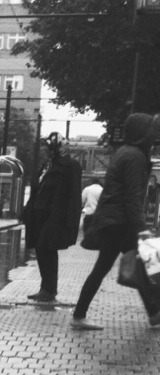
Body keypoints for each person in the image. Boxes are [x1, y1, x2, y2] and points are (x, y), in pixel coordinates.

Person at [70, 112, 160, 330]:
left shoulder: (124, 152)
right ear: (142, 132)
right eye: (151, 129)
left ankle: (155, 314)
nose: (154, 134)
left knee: (144, 265)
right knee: (111, 267)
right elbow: (132, 196)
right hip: (121, 223)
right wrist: (142, 228)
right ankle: (79, 315)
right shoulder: (135, 157)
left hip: (116, 221)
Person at [22, 133, 82, 302]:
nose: (43, 150)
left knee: (45, 247)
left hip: (54, 215)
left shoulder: (70, 165)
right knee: (41, 249)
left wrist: (71, 219)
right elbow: (38, 190)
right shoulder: (48, 165)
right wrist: (27, 211)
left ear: (55, 148)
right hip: (38, 214)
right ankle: (46, 288)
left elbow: (74, 194)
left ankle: (49, 289)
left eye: (46, 147)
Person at [80, 177, 103, 241]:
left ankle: (87, 240)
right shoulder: (102, 190)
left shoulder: (87, 189)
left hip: (88, 212)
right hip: (98, 213)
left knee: (86, 230)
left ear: (91, 182)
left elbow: (81, 201)